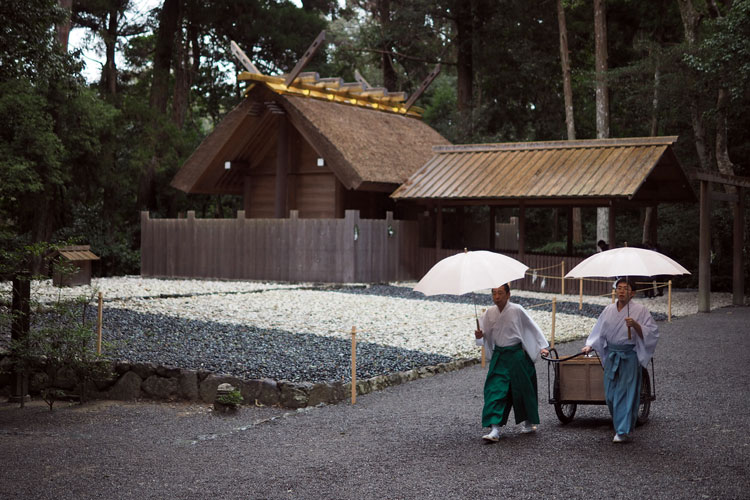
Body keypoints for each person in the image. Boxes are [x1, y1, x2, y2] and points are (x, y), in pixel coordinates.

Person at [581, 277, 658, 443]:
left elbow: (652, 332)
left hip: (629, 356)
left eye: (626, 288)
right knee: (610, 395)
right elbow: (598, 331)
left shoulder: (641, 310)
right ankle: (620, 423)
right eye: (619, 287)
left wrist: (636, 325)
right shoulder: (608, 310)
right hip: (612, 355)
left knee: (626, 393)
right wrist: (590, 345)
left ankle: (622, 431)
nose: (622, 291)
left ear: (633, 293)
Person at [474, 284, 549, 442]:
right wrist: (480, 335)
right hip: (500, 356)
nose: (497, 297)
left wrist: (542, 346)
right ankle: (495, 429)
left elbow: (531, 327)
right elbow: (483, 337)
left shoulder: (517, 309)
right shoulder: (489, 313)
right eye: (494, 293)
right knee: (495, 391)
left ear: (508, 294)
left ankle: (528, 422)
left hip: (516, 354)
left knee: (523, 390)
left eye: (500, 293)